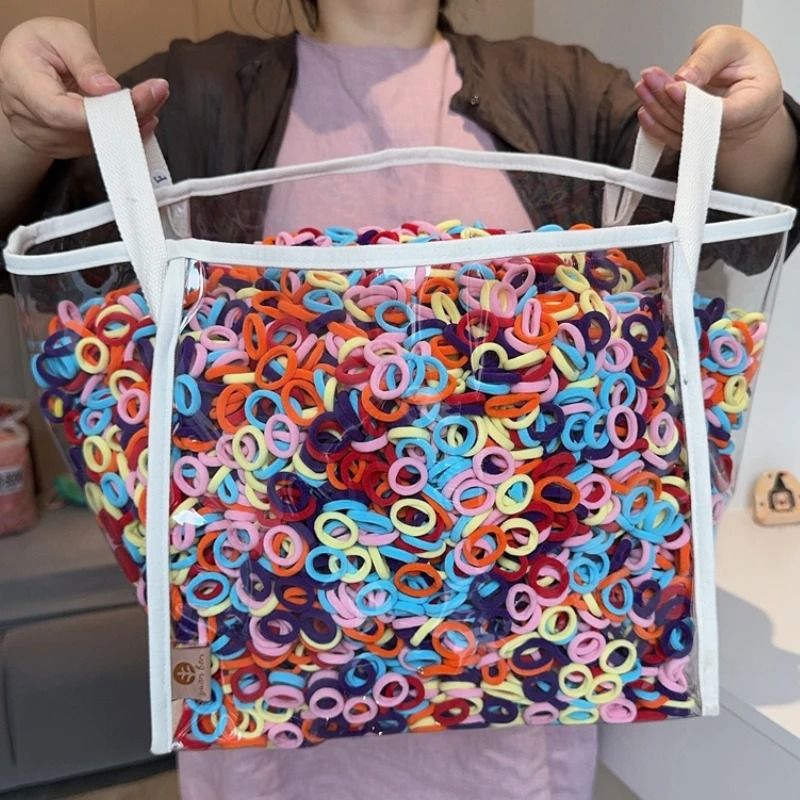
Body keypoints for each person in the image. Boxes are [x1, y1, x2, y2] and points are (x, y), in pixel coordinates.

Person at [0, 3, 798, 799]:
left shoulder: (564, 93)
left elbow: (742, 223)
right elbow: (37, 242)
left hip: (523, 716)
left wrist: (754, 130)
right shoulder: (193, 96)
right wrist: (20, 131)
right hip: (262, 726)